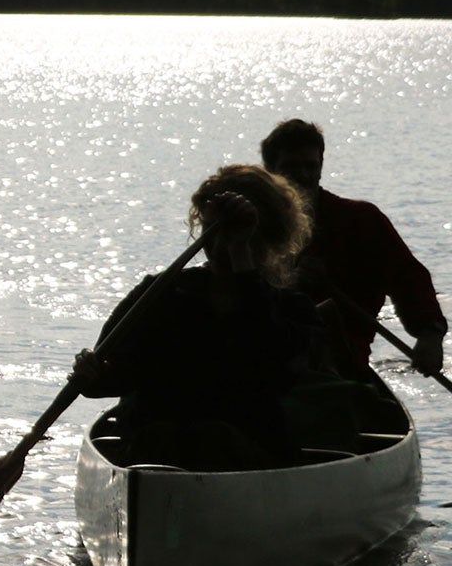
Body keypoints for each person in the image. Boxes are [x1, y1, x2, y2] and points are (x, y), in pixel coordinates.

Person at [70, 164, 322, 471]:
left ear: (266, 237)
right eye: (211, 232)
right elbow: (113, 376)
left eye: (231, 236)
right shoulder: (161, 292)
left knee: (214, 439)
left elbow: (270, 361)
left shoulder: (292, 309)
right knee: (162, 440)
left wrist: (241, 254)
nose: (218, 247)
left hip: (247, 453)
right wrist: (92, 373)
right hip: (154, 454)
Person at [259, 118, 447, 379]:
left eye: (310, 166)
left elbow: (408, 276)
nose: (302, 175)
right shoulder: (253, 227)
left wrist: (430, 334)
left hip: (344, 364)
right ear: (270, 171)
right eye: (291, 167)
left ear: (321, 167)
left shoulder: (360, 220)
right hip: (266, 364)